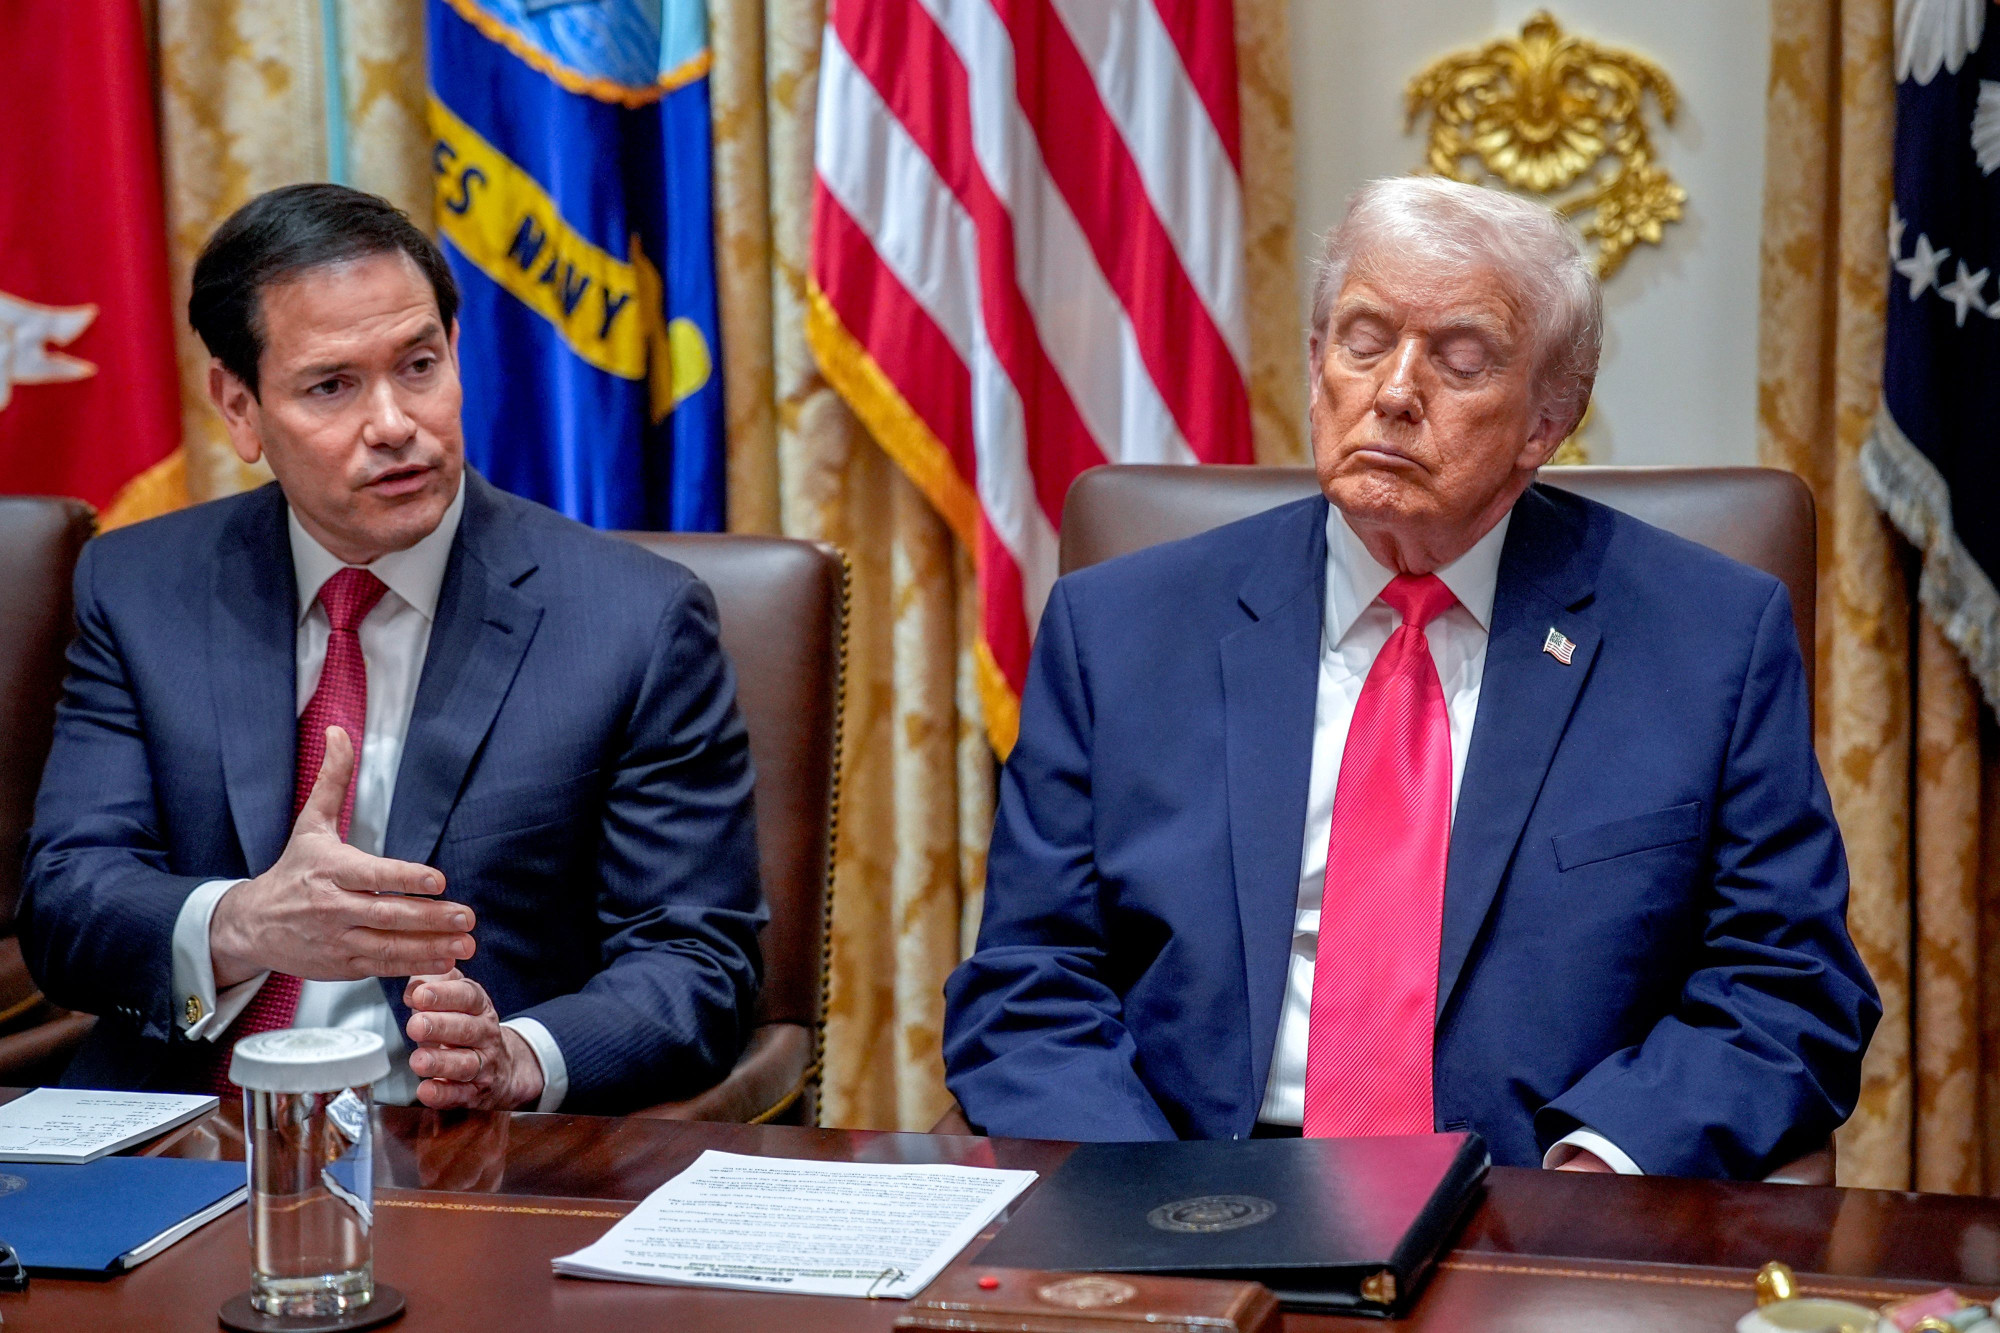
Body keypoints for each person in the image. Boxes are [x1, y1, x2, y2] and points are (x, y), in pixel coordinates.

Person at [941, 177, 1879, 1178]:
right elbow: (1029, 981)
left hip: (1531, 1196)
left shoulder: (1706, 640)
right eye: (1361, 341)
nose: (1393, 391)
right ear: (1315, 368)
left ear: (1546, 421)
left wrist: (1601, 1168)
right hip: (1189, 1182)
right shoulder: (1119, 630)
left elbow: (1788, 984)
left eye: (1460, 359)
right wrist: (1148, 1201)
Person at [20, 183, 764, 1114]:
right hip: (189, 1132)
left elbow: (698, 957)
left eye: (418, 366)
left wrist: (518, 1056)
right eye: (332, 386)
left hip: (458, 1150)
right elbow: (66, 904)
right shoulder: (139, 589)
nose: (394, 424)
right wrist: (246, 923)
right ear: (240, 407)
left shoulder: (633, 621)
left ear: (454, 351)